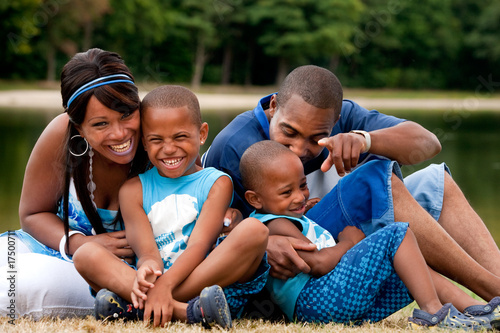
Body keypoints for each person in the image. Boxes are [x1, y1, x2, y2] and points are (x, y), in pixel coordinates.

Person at [202, 65, 500, 312]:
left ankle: (494, 289)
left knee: (437, 183)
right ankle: (490, 291)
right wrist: (263, 242)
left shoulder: (339, 115)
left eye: (317, 138)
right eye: (289, 132)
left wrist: (364, 140)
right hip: (301, 267)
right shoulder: (234, 145)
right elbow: (211, 228)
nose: (299, 150)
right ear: (274, 105)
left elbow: (428, 143)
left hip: (337, 233)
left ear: (335, 121)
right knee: (374, 177)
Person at [240, 140, 500, 329]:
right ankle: (433, 312)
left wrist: (304, 212)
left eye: (302, 186)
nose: (299, 196)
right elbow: (317, 264)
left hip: (329, 301)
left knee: (410, 264)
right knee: (398, 234)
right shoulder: (273, 224)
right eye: (287, 193)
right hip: (318, 301)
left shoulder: (283, 218)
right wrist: (348, 242)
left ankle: (474, 311)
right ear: (254, 199)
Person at [73, 85, 269, 328]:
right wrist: (150, 271)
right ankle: (188, 313)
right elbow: (146, 252)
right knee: (85, 254)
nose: (168, 149)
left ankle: (138, 308)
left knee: (255, 230)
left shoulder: (216, 182)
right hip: (153, 282)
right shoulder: (133, 190)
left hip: (202, 281)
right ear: (144, 142)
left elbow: (200, 245)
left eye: (180, 137)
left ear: (202, 134)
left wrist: (165, 287)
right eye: (156, 140)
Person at [0, 48, 150, 319]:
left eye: (126, 114)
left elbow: (200, 193)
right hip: (55, 247)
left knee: (18, 287)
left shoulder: (160, 135)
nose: (119, 133)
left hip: (111, 273)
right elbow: (32, 215)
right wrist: (79, 243)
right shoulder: (61, 134)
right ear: (78, 127)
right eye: (101, 123)